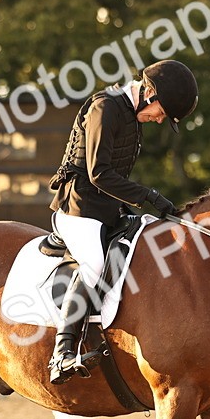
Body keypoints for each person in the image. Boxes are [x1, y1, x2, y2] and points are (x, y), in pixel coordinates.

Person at [45, 59, 198, 384]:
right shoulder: (106, 108)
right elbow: (99, 174)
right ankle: (62, 353)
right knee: (95, 265)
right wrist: (151, 197)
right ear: (149, 93)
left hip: (108, 211)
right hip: (79, 209)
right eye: (162, 112)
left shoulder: (131, 117)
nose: (159, 120)